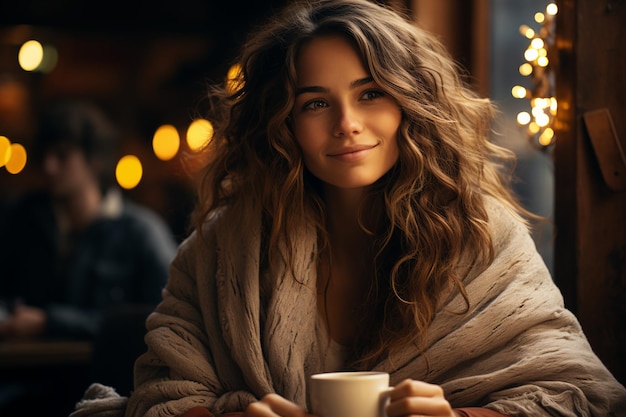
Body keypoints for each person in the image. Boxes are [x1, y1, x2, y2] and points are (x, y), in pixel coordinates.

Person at [71, 1, 626, 417]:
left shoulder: (482, 234)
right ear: (283, 123)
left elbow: (576, 395)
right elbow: (165, 390)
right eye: (315, 103)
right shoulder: (223, 245)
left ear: (412, 103)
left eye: (370, 93)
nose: (346, 123)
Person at [0, 99, 178, 416]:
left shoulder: (140, 232)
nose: (49, 167)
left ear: (94, 159)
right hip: (27, 385)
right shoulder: (26, 223)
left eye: (63, 155)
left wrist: (48, 322)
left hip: (108, 392)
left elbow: (163, 319)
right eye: (45, 155)